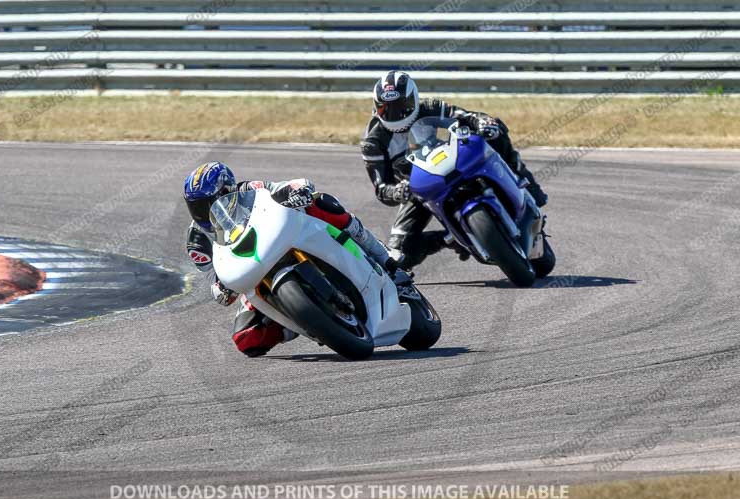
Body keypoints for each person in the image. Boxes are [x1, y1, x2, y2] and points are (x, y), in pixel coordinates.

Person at [183, 161, 396, 357]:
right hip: (254, 272)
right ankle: (304, 321)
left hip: (284, 239)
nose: (204, 212)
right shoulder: (197, 242)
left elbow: (287, 187)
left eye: (210, 203)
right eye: (197, 206)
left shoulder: (250, 189)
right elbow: (214, 279)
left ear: (228, 190)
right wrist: (220, 287)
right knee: (246, 340)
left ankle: (380, 253)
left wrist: (297, 191)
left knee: (320, 202)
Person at [361, 70, 548, 270]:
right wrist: (398, 191)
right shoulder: (372, 142)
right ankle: (450, 239)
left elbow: (466, 116)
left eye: (401, 107)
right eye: (385, 109)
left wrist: (483, 122)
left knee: (495, 131)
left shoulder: (429, 106)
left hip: (451, 160)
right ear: (376, 107)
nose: (394, 114)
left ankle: (525, 181)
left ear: (414, 99)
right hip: (419, 189)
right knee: (399, 256)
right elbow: (381, 189)